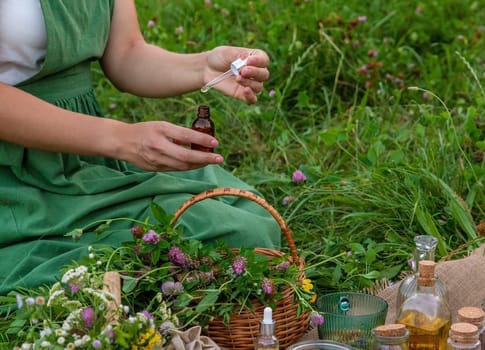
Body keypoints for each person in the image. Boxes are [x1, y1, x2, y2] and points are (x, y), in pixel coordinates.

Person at [0, 0, 280, 295]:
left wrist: (204, 67)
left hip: (83, 158)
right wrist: (121, 139)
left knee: (252, 215)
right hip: (14, 170)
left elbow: (126, 52)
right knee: (228, 235)